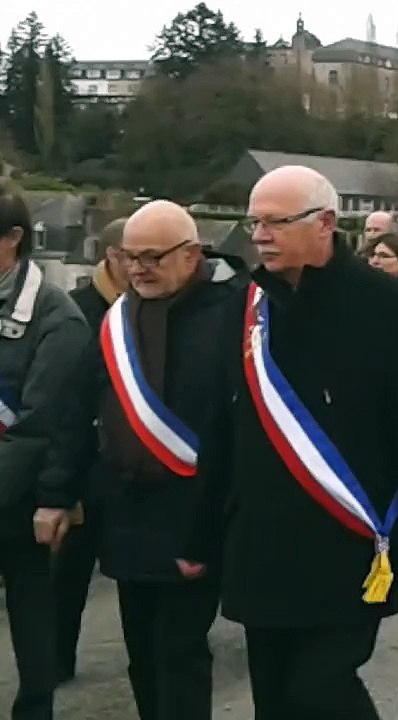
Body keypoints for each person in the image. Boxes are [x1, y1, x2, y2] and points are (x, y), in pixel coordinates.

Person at [185, 166, 398, 719]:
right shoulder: (243, 311)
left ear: (325, 223)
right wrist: (200, 534)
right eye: (254, 221)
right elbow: (219, 430)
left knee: (323, 692)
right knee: (276, 699)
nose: (259, 235)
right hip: (261, 544)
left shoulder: (396, 311)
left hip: (347, 542)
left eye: (276, 222)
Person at [83, 201, 245, 720]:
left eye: (152, 256)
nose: (138, 268)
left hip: (196, 511)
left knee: (179, 651)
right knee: (142, 654)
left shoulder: (235, 313)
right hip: (129, 515)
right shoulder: (119, 318)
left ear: (192, 254)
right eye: (129, 257)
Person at [0, 188, 91, 720]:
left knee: (32, 613)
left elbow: (47, 421)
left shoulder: (55, 316)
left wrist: (51, 497)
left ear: (14, 241)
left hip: (23, 493)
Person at [57, 216, 128, 684]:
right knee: (66, 581)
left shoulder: (153, 309)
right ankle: (55, 662)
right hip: (84, 468)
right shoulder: (78, 312)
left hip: (131, 469)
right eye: (133, 254)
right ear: (112, 256)